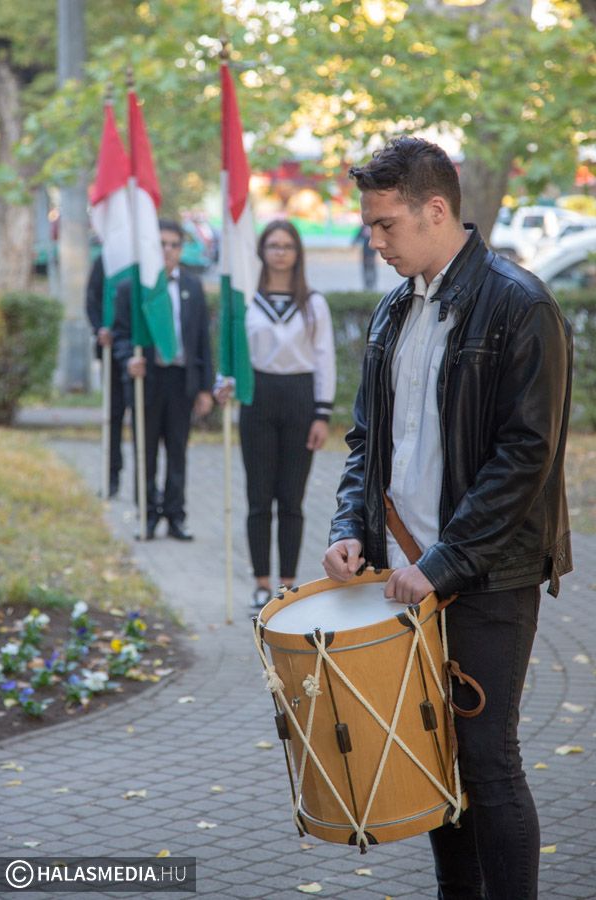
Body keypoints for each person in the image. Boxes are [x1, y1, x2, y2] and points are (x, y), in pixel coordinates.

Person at [323, 137, 572, 899]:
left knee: (486, 764)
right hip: (405, 573)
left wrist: (442, 564)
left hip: (486, 577)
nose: (375, 240)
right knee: (434, 760)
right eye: (370, 225)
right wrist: (348, 527)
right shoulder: (395, 309)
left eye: (386, 223)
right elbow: (368, 440)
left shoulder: (521, 304)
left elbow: (525, 457)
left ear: (436, 210)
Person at [238, 219, 336, 609]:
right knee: (259, 497)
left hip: (299, 399)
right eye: (273, 245)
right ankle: (261, 583)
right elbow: (234, 353)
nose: (280, 253)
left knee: (292, 499)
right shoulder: (247, 300)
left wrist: (321, 414)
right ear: (261, 252)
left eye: (287, 246)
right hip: (258, 398)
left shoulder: (313, 303)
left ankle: (288, 585)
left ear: (298, 253)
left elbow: (325, 359)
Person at [113, 219, 214, 540]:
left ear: (181, 249)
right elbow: (120, 335)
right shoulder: (133, 288)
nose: (167, 250)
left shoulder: (192, 286)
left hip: (181, 379)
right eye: (161, 244)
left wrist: (205, 387)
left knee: (177, 450)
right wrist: (129, 358)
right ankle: (147, 514)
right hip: (148, 379)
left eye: (174, 244)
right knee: (146, 451)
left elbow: (201, 340)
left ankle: (175, 515)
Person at [85, 253, 127, 497]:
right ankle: (111, 475)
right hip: (112, 350)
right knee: (113, 415)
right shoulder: (107, 257)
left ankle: (146, 486)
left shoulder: (149, 254)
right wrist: (100, 327)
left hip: (142, 353)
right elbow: (92, 298)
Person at [352, 222, 378, 289]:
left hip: (372, 253)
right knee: (366, 269)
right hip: (365, 253)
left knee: (372, 269)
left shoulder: (374, 227)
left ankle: (372, 285)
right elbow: (357, 238)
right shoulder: (363, 227)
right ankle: (367, 285)